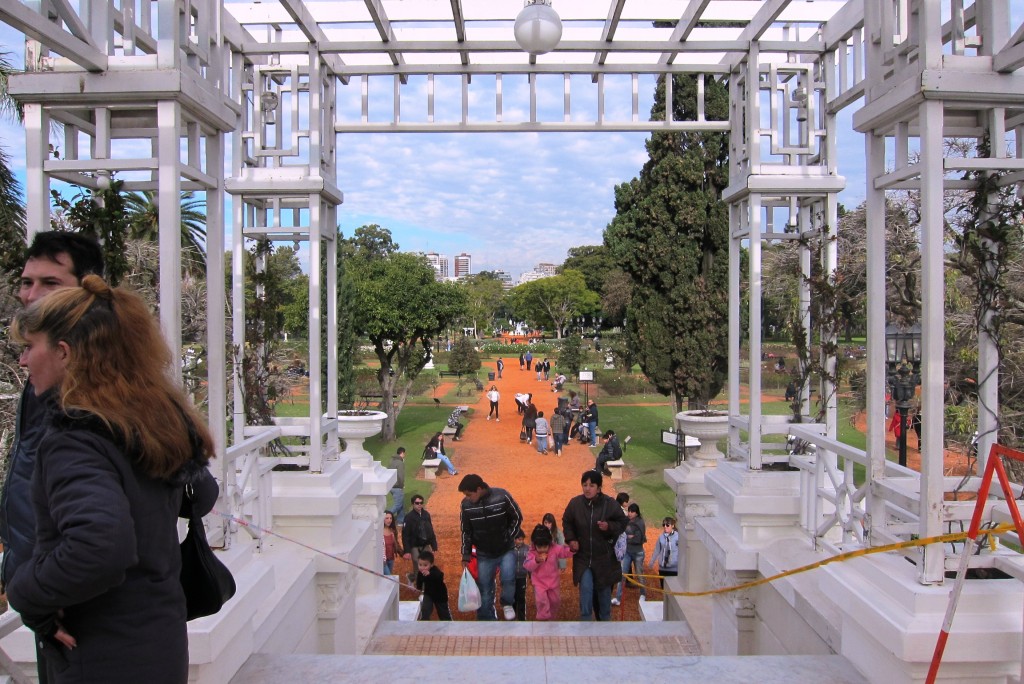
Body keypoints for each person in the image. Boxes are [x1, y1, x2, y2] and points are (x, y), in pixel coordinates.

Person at [6, 275, 219, 683]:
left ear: (64, 353)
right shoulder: (151, 424)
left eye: (30, 347)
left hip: (101, 654)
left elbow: (99, 546)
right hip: (160, 641)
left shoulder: (77, 440)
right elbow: (203, 494)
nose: (23, 361)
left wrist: (25, 593)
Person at [1, 232, 104, 600]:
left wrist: (45, 590)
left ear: (86, 291)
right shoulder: (43, 372)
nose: (32, 295)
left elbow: (100, 531)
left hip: (66, 593)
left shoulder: (96, 385)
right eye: (27, 282)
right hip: (37, 575)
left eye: (50, 283)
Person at [561, 470, 627, 621]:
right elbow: (567, 521)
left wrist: (609, 526)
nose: (587, 488)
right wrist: (571, 539)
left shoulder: (610, 504)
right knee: (585, 590)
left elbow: (623, 522)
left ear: (599, 487)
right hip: (583, 558)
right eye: (585, 485)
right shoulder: (575, 504)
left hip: (604, 559)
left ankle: (604, 629)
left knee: (604, 596)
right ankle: (585, 624)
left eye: (591, 485)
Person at [458, 474, 524, 621]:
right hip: (484, 554)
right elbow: (466, 531)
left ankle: (507, 603)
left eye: (469, 494)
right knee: (485, 587)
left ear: (479, 489)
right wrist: (465, 554)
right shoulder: (466, 506)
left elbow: (517, 517)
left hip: (506, 548)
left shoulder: (502, 496)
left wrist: (508, 536)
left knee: (508, 579)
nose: (467, 498)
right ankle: (485, 618)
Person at [523, 524, 573, 621]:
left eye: (545, 546)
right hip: (539, 583)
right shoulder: (532, 552)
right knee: (542, 601)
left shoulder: (554, 548)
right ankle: (543, 618)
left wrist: (572, 549)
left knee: (555, 601)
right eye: (539, 547)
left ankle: (551, 618)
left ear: (549, 543)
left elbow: (564, 551)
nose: (542, 549)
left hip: (553, 583)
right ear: (534, 544)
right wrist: (536, 561)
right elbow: (527, 565)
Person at [616, 503, 647, 604]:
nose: (629, 513)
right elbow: (622, 533)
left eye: (632, 511)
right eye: (629, 511)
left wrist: (627, 538)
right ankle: (618, 598)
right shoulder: (626, 520)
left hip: (638, 553)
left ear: (637, 513)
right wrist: (629, 537)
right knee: (622, 574)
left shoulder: (640, 523)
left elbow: (639, 539)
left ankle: (643, 594)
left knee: (639, 574)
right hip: (627, 552)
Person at [402, 495, 438, 582]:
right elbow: (405, 535)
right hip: (414, 546)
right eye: (417, 503)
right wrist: (407, 551)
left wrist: (434, 545)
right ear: (413, 504)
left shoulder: (426, 515)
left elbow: (430, 530)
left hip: (425, 544)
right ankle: (420, 587)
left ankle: (424, 582)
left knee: (429, 564)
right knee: (418, 565)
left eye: (421, 503)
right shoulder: (408, 517)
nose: (419, 505)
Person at [414, 550, 452, 621]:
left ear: (431, 565)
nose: (422, 567)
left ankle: (448, 624)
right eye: (420, 565)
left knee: (443, 612)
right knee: (425, 609)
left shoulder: (435, 570)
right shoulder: (420, 573)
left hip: (440, 595)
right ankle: (424, 623)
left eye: (425, 565)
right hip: (428, 594)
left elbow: (440, 576)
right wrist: (418, 588)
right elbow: (419, 581)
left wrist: (430, 574)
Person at [649, 517, 680, 589]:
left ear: (672, 526)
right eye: (664, 525)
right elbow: (657, 550)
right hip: (662, 568)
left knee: (673, 589)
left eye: (667, 525)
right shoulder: (661, 537)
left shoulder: (678, 537)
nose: (665, 527)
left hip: (674, 569)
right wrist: (652, 562)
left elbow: (682, 552)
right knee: (663, 589)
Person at [512, 530, 529, 621]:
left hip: (522, 577)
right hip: (512, 577)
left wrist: (530, 574)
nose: (521, 541)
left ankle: (522, 618)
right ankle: (513, 618)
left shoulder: (527, 548)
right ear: (514, 539)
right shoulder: (510, 548)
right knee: (513, 598)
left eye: (522, 540)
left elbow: (530, 562)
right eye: (519, 539)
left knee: (521, 597)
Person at [389, 447, 406, 524]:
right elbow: (401, 476)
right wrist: (401, 486)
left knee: (400, 503)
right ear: (402, 453)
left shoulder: (392, 461)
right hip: (397, 486)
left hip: (390, 486)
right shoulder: (400, 463)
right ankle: (385, 516)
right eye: (404, 453)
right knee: (398, 504)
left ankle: (400, 521)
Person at [383, 510, 403, 575]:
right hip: (383, 561)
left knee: (388, 578)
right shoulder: (379, 532)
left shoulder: (392, 531)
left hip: (391, 559)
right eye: (387, 518)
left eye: (391, 518)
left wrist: (402, 553)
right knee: (389, 577)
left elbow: (396, 543)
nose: (389, 520)